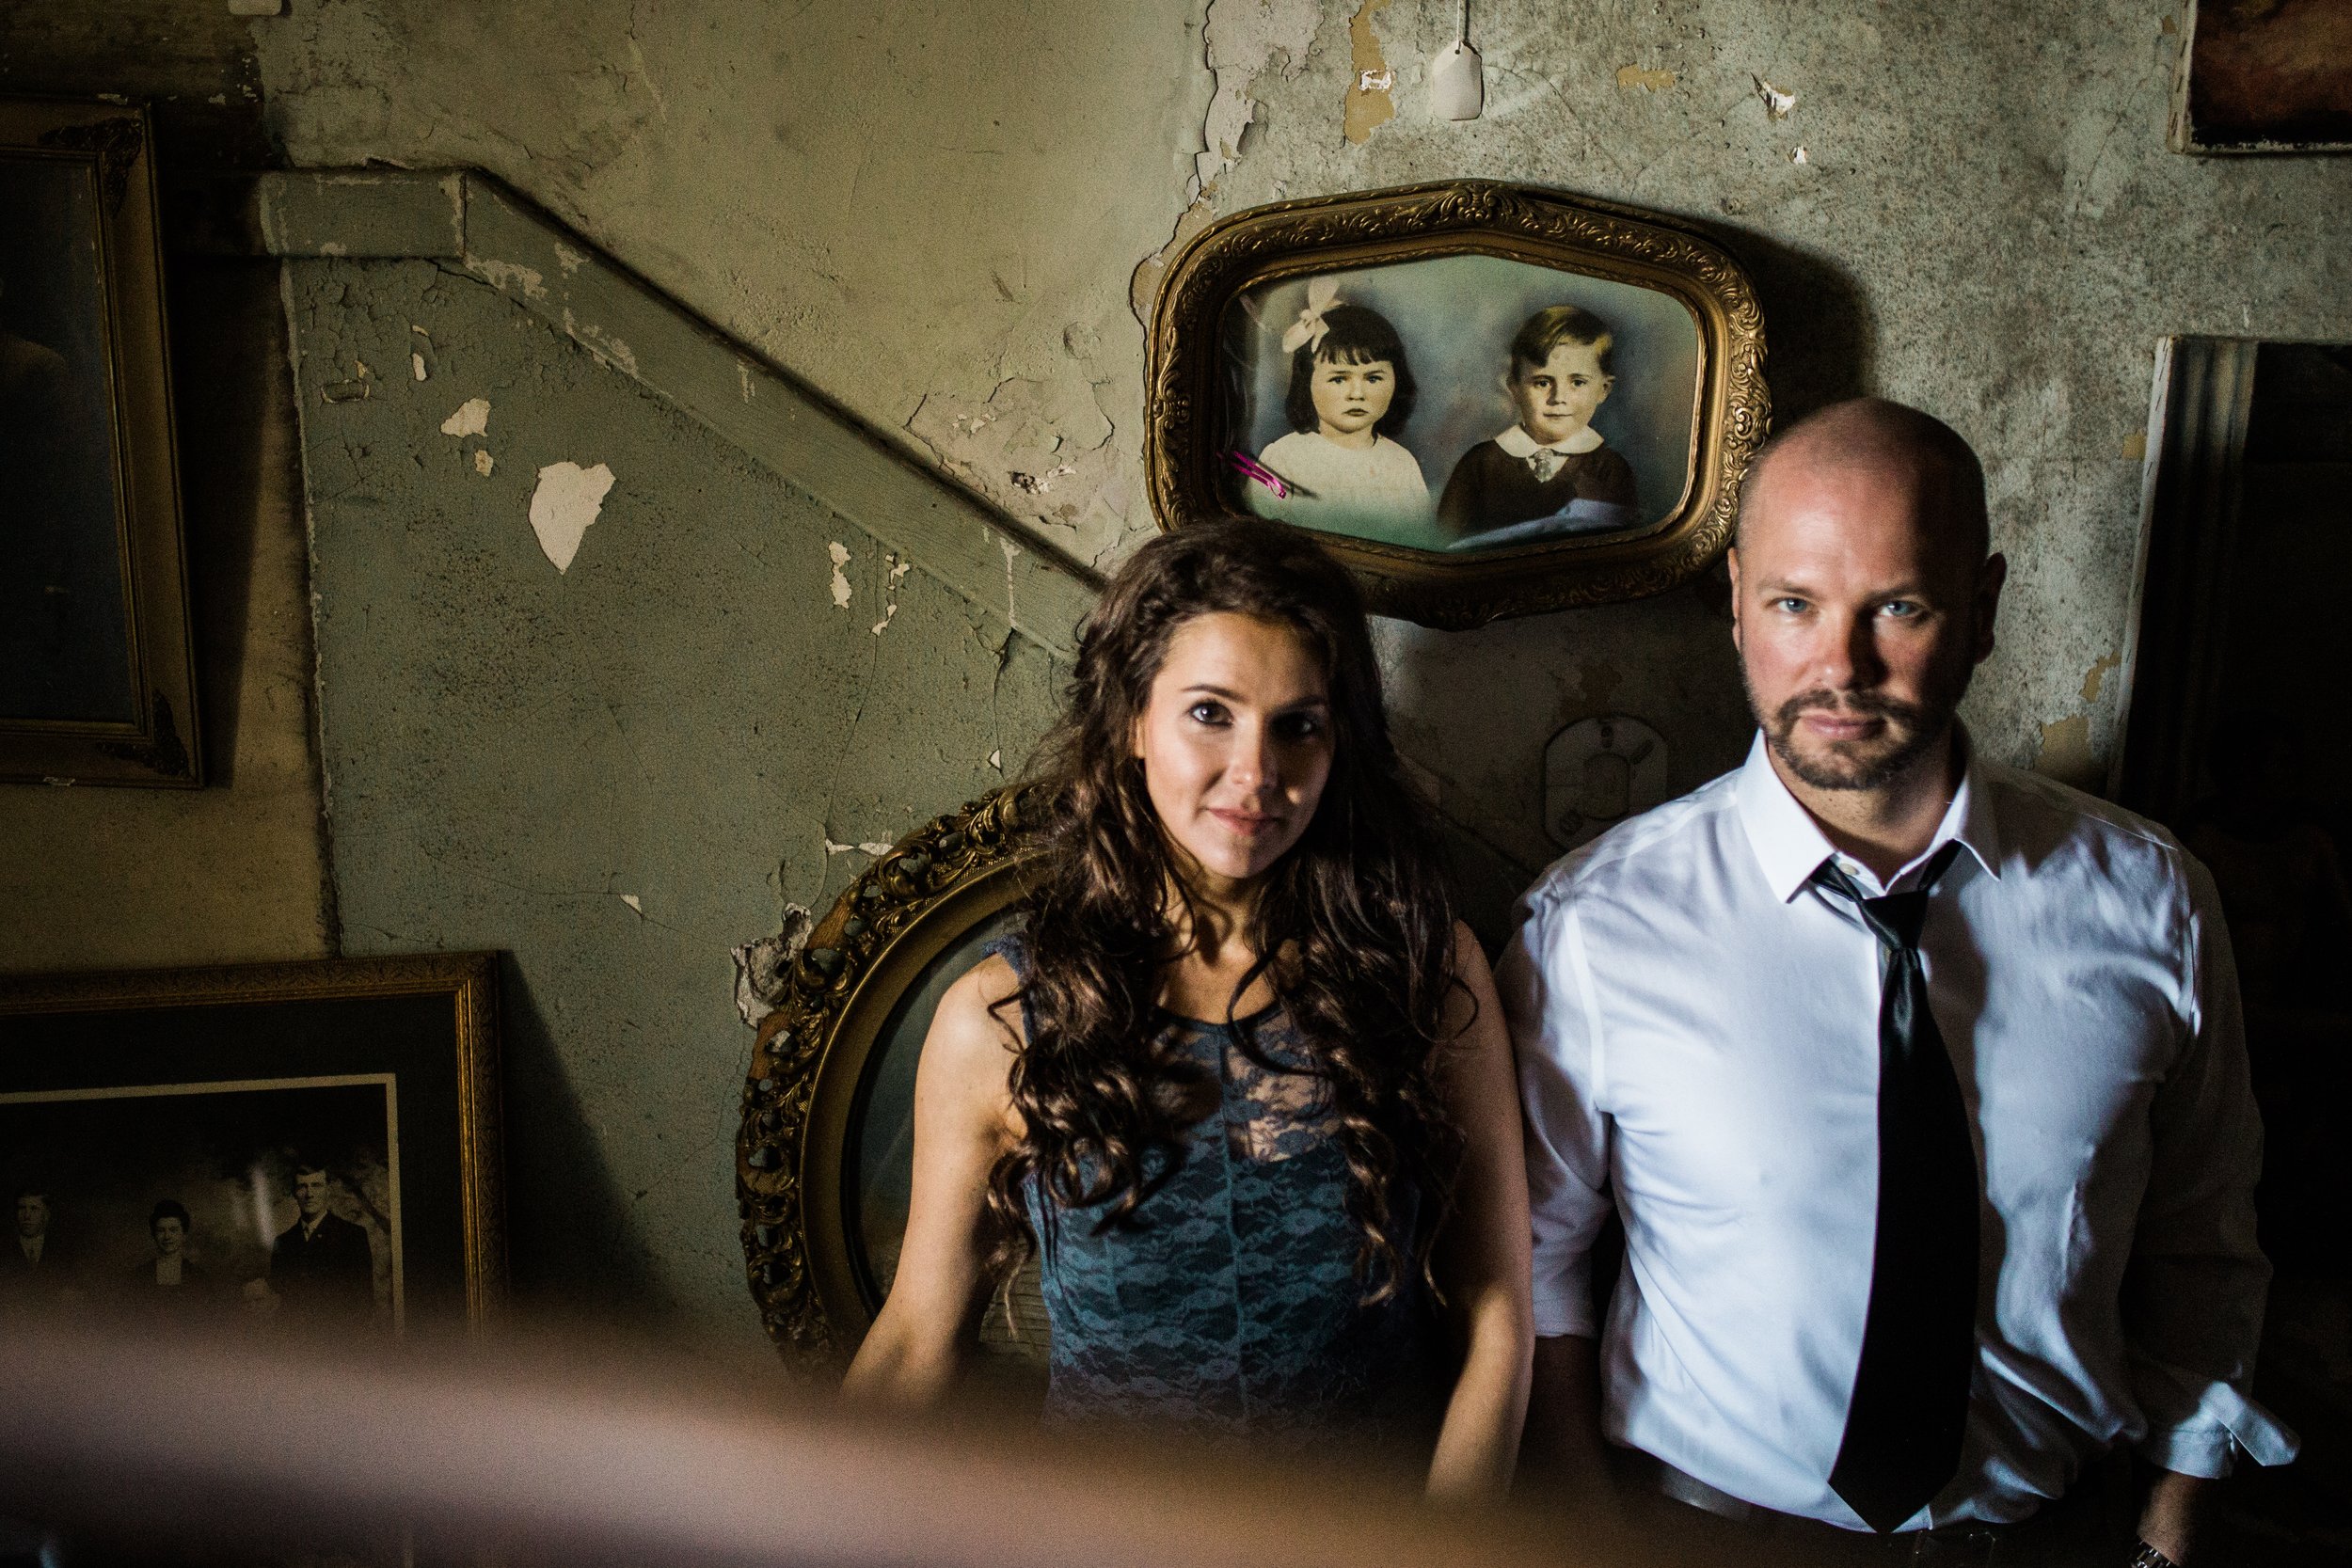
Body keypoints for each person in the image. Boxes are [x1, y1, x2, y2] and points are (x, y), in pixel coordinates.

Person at [1503, 398, 2293, 1564]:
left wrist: (2172, 1534)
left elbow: (2205, 1244)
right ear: (1734, 602)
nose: (1840, 663)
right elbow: (1537, 1263)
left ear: (1981, 608)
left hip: (2048, 1535)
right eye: (1793, 604)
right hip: (1705, 1535)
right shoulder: (1596, 924)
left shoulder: (2152, 897)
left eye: (1901, 606)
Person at [844, 519, 1533, 1498]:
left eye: (1298, 723)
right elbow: (917, 1337)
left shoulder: (1424, 970)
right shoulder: (1004, 1015)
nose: (1256, 774)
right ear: (1131, 719)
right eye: (1210, 712)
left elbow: (1497, 1310)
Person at [1243, 281, 1435, 538]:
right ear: (1307, 383)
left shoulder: (1402, 464)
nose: (1357, 394)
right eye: (1339, 379)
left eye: (1373, 378)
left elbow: (1418, 540)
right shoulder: (1282, 459)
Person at [1437, 305, 1637, 544]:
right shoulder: (1480, 463)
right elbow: (1444, 542)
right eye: (1542, 383)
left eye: (1578, 383)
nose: (1558, 398)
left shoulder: (1610, 468)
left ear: (1603, 390)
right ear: (1515, 388)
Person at [267, 1163, 375, 1325]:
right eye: (302, 1187)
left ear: (328, 1190)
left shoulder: (352, 1236)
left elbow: (364, 1303)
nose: (309, 1194)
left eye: (316, 1185)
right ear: (294, 1193)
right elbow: (280, 1303)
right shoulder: (283, 1242)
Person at [125, 1198, 212, 1323]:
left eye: (173, 1230)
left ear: (184, 1234)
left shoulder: (200, 1278)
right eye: (161, 1230)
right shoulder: (138, 1278)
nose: (167, 1236)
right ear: (154, 1235)